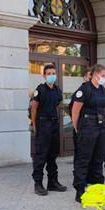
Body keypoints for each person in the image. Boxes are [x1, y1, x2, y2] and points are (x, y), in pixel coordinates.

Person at [71, 64, 105, 203]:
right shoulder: (85, 89)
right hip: (88, 126)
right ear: (94, 74)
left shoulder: (102, 89)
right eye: (102, 75)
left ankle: (98, 187)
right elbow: (75, 111)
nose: (104, 78)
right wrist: (77, 128)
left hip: (101, 126)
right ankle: (80, 190)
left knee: (99, 158)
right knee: (84, 159)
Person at [30, 64, 67, 196]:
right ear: (44, 75)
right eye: (49, 73)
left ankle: (53, 182)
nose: (52, 75)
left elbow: (58, 105)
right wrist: (34, 124)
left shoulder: (57, 90)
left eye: (53, 73)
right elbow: (34, 107)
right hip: (43, 124)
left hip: (54, 124)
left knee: (52, 155)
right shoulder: (40, 90)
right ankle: (38, 184)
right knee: (41, 155)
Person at [68, 67, 91, 153]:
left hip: (91, 128)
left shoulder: (95, 91)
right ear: (84, 77)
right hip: (82, 127)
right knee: (81, 154)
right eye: (90, 76)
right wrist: (77, 128)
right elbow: (73, 111)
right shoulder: (81, 92)